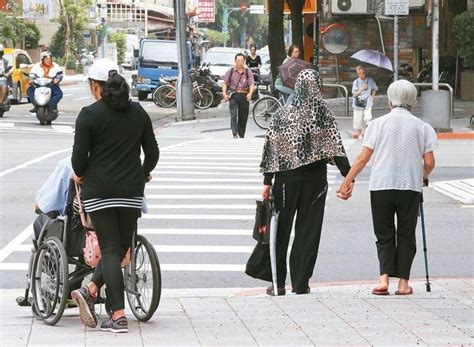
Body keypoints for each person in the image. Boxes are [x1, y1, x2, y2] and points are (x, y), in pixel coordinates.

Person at [70, 58, 159, 333]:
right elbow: (153, 154)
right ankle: (92, 289)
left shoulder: (89, 114)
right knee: (119, 249)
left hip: (100, 191)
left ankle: (118, 316)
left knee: (109, 249)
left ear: (96, 86)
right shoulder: (139, 113)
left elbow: (77, 163)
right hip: (131, 191)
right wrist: (141, 173)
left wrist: (81, 174)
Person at [337, 80, 437, 296]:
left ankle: (383, 280)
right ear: (412, 100)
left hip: (381, 186)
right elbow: (429, 161)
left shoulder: (377, 125)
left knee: (383, 234)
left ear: (390, 100)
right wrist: (423, 176)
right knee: (406, 234)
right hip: (409, 187)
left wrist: (347, 181)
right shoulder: (422, 127)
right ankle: (403, 283)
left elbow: (363, 158)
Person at [260, 69, 352, 295]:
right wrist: (347, 176)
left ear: (297, 87)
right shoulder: (324, 114)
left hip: (285, 181)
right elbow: (336, 148)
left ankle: (278, 283)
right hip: (315, 181)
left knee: (281, 231)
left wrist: (267, 181)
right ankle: (300, 283)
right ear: (317, 86)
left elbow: (271, 148)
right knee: (307, 232)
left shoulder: (283, 114)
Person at [222, 53, 256, 139]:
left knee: (243, 116)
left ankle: (241, 134)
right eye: (238, 61)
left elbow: (251, 84)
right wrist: (224, 93)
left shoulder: (248, 72)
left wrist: (250, 93)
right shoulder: (230, 71)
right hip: (234, 94)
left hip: (244, 95)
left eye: (242, 61)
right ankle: (234, 133)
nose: (240, 62)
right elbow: (225, 83)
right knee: (233, 114)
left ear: (244, 61)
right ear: (235, 61)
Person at [352, 65, 378, 139]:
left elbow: (375, 89)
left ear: (365, 73)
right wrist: (362, 89)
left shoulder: (370, 81)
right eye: (359, 73)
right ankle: (359, 133)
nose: (361, 75)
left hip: (367, 102)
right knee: (358, 118)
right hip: (358, 103)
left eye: (363, 73)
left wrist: (372, 97)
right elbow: (354, 94)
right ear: (357, 73)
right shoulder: (356, 82)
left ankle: (367, 133)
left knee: (368, 118)